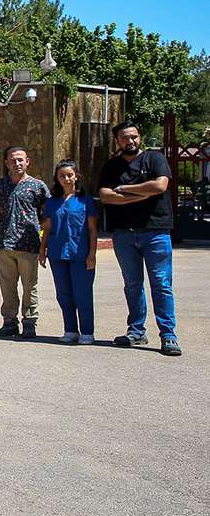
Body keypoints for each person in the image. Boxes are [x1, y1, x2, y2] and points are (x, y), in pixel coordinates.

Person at [98, 120, 180, 356]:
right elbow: (105, 195)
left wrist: (124, 190)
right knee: (132, 285)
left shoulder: (155, 158)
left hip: (155, 232)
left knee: (161, 283)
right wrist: (141, 194)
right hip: (124, 234)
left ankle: (168, 335)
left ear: (139, 136)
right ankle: (136, 331)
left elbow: (160, 186)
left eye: (133, 136)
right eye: (125, 138)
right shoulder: (112, 166)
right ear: (117, 141)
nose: (130, 141)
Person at [0, 146, 50, 339]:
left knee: (30, 286)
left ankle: (29, 322)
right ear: (7, 163)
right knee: (7, 286)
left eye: (20, 160)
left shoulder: (38, 186)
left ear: (27, 162)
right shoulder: (0, 185)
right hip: (4, 244)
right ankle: (9, 322)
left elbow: (47, 214)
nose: (17, 163)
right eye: (13, 160)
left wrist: (38, 232)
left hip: (28, 244)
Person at [40, 160, 98, 344]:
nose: (66, 179)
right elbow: (47, 228)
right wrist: (42, 250)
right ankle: (71, 330)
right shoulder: (52, 202)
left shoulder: (85, 200)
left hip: (80, 253)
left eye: (69, 175)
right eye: (62, 176)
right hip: (57, 253)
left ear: (76, 176)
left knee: (82, 293)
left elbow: (92, 230)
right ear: (57, 178)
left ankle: (87, 331)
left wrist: (92, 254)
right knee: (63, 294)